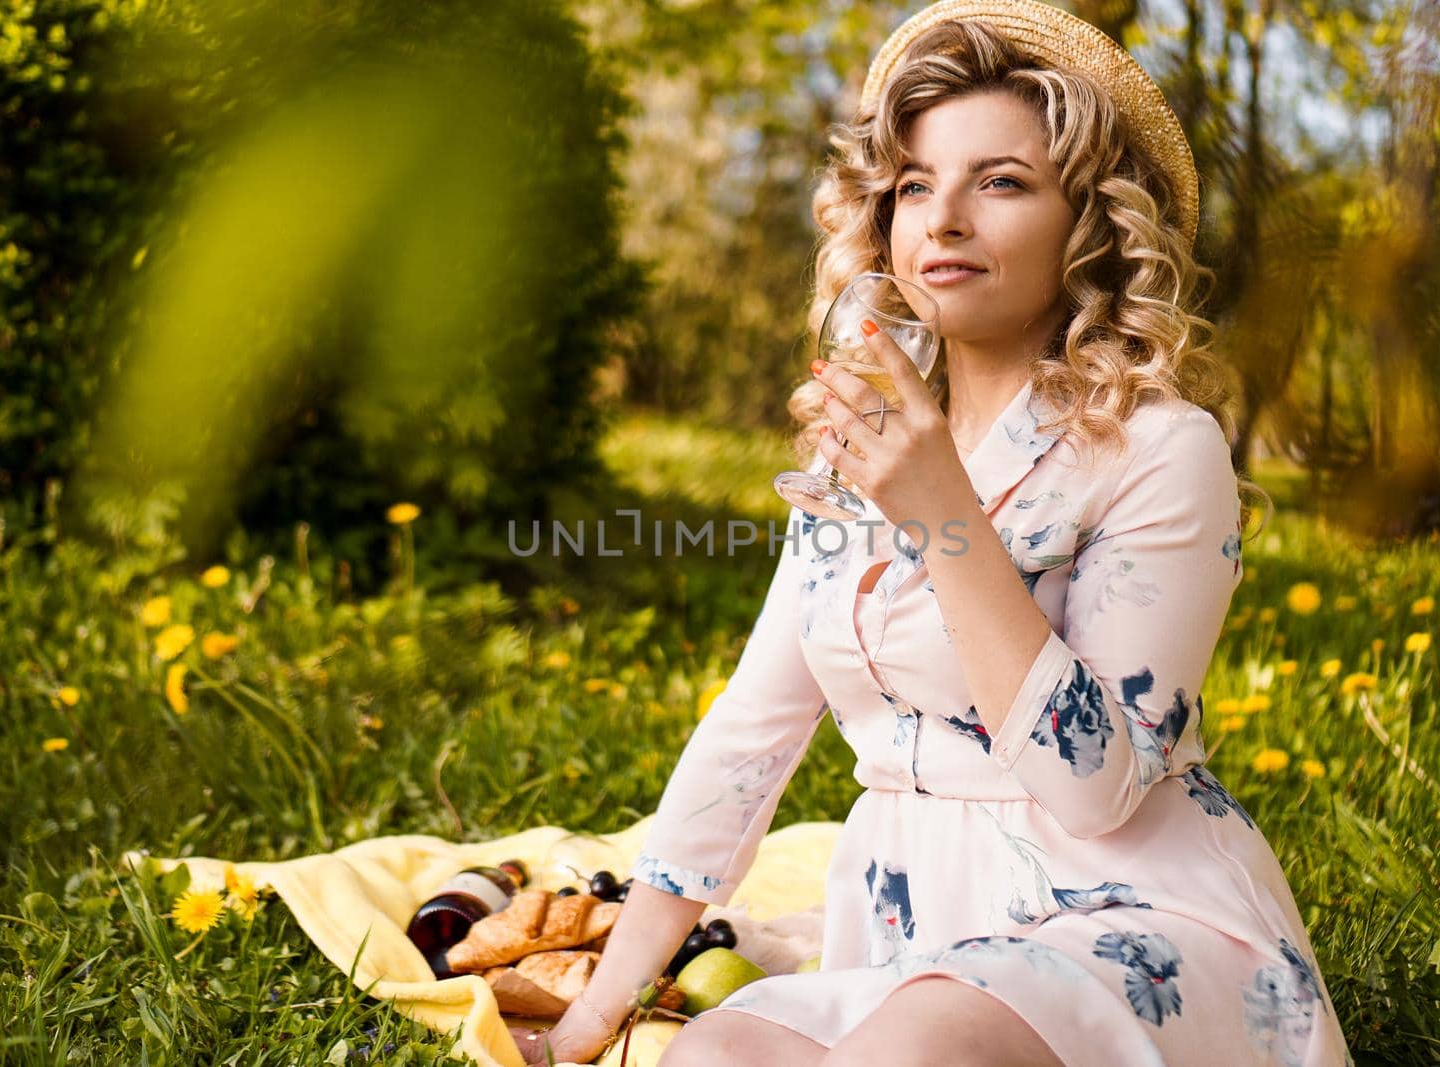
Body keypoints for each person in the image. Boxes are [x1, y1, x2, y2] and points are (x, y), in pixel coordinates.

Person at [514, 1, 1354, 1063]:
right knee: (709, 1054)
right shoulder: (851, 452)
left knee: (908, 1047)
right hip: (920, 926)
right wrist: (595, 1014)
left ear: (1090, 223)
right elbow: (751, 735)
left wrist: (940, 510)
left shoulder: (1162, 450)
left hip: (1127, 920)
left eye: (999, 181)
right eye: (915, 184)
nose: (942, 217)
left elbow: (1093, 786)